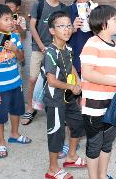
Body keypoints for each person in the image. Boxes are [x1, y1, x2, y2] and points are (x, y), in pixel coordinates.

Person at [80, 5, 116, 179]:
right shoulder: (92, 43)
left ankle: (102, 175)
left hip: (112, 105)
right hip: (94, 106)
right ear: (103, 24)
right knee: (94, 144)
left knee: (107, 143)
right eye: (115, 19)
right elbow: (87, 73)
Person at [43, 11, 87, 179]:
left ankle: (71, 157)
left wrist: (78, 81)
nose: (67, 29)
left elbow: (71, 67)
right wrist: (71, 86)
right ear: (52, 30)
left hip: (69, 97)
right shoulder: (50, 53)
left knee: (77, 124)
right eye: (61, 26)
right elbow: (52, 80)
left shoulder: (67, 48)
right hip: (55, 100)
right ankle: (52, 169)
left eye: (69, 25)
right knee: (57, 134)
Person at [0, 4, 31, 159]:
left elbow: (22, 58)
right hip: (0, 87)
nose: (11, 22)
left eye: (11, 18)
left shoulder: (15, 37)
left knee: (17, 110)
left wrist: (14, 48)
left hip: (15, 83)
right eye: (6, 19)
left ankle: (14, 134)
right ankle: (1, 142)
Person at [22, 0, 66, 125]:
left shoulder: (63, 8)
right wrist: (41, 46)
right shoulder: (39, 5)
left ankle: (54, 109)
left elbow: (64, 28)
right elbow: (32, 27)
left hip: (56, 49)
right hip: (38, 48)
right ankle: (30, 108)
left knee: (55, 80)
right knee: (33, 79)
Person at [62, 0, 97, 77]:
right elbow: (57, 38)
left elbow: (105, 36)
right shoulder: (65, 11)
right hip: (72, 63)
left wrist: (94, 21)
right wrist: (71, 29)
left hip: (93, 62)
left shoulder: (98, 11)